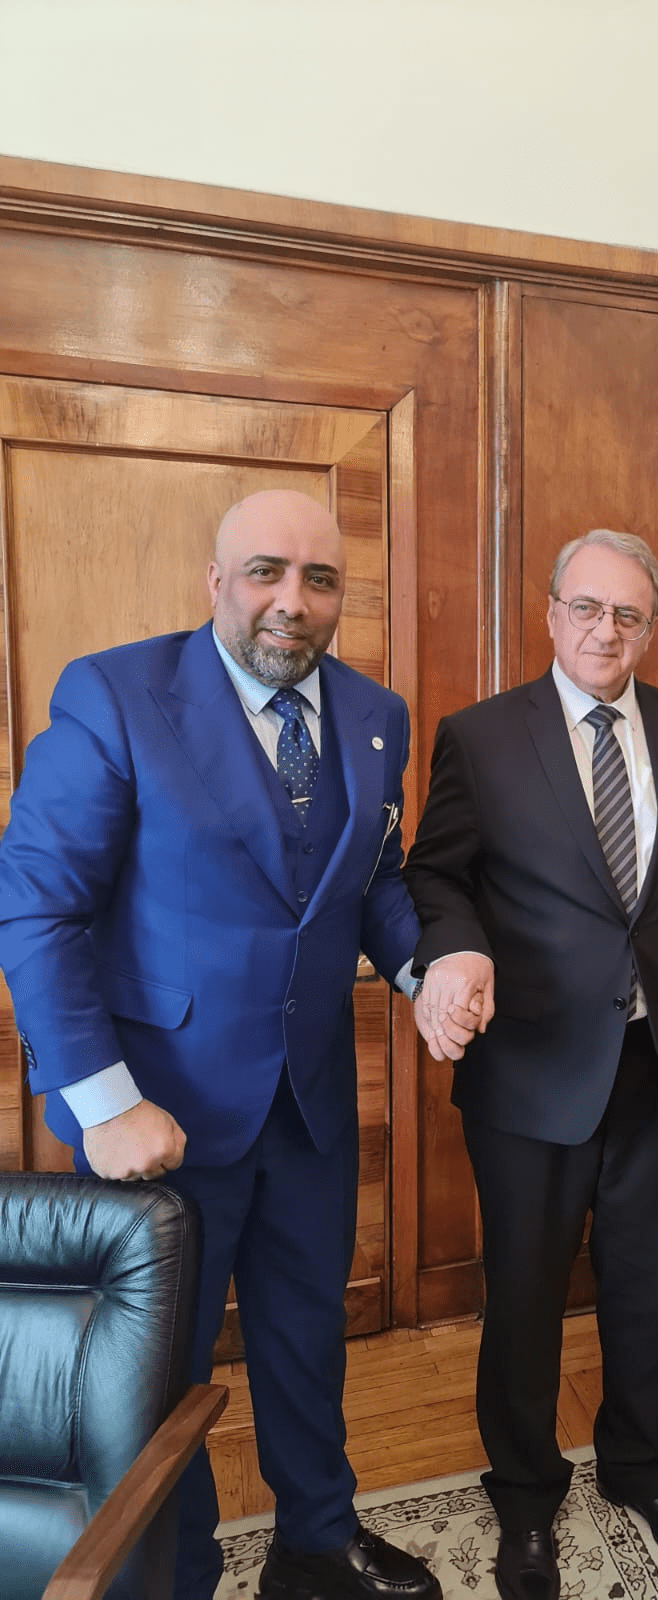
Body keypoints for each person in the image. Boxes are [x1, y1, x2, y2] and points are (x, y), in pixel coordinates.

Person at [0, 490, 440, 1600]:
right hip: (159, 1117)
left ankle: (317, 1540)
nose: (293, 599)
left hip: (310, 1106)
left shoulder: (376, 713)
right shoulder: (113, 695)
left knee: (306, 1336)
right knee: (156, 1383)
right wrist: (104, 1102)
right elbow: (39, 908)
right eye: (264, 571)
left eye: (320, 578)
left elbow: (376, 883)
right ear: (215, 582)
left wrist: (428, 968)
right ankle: (176, 1576)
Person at [404, 530, 658, 1600]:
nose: (605, 630)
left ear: (651, 627)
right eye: (586, 607)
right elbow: (435, 875)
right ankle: (526, 1493)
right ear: (549, 614)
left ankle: (641, 1467)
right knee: (527, 1294)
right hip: (531, 1067)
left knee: (652, 1289)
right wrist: (456, 950)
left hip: (657, 1064)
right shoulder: (482, 736)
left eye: (627, 613)